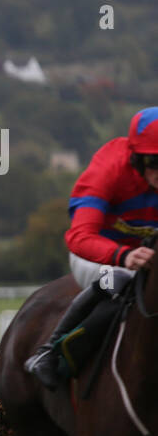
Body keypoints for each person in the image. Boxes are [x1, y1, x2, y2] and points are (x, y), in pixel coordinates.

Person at [24, 107, 158, 387]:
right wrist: (123, 255)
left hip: (148, 258)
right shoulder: (108, 169)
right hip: (98, 257)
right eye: (155, 162)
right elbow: (80, 236)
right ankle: (47, 353)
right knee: (123, 281)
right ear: (136, 157)